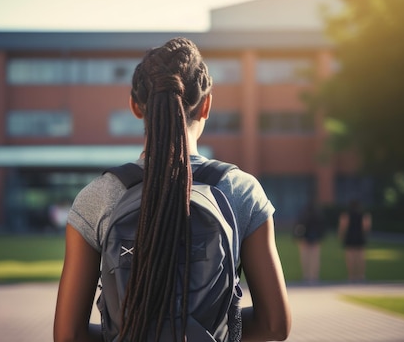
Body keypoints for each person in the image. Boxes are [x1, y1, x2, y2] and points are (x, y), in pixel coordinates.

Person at [54, 38, 291, 342]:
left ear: (135, 107)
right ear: (206, 105)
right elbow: (276, 325)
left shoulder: (97, 197)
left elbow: (67, 335)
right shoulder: (241, 190)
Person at [338, 199, 371, 282]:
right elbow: (366, 226)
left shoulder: (346, 214)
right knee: (361, 257)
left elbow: (343, 226)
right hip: (360, 236)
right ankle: (361, 275)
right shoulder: (363, 214)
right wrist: (365, 234)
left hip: (350, 236)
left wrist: (341, 235)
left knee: (350, 257)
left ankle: (351, 276)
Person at [293, 201, 325, 284]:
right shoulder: (318, 215)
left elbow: (298, 227)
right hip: (315, 238)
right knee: (315, 258)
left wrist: (298, 237)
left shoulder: (303, 215)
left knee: (305, 258)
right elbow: (322, 228)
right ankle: (314, 276)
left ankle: (306, 276)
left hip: (304, 239)